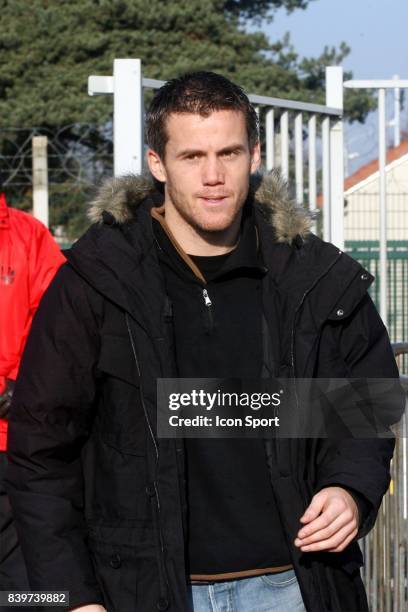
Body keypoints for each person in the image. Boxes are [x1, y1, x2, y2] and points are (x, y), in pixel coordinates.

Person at [4, 72, 404, 612]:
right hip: (144, 592)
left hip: (296, 585)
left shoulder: (313, 276)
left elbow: (366, 403)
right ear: (157, 163)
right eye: (192, 156)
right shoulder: (96, 283)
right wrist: (73, 598)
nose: (213, 176)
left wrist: (350, 488)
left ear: (254, 155)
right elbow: (40, 451)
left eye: (229, 153)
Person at [0, 190, 65, 603]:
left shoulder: (29, 236)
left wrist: (19, 387)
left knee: (28, 590)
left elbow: (59, 327)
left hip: (19, 444)